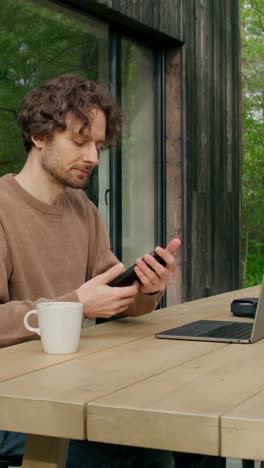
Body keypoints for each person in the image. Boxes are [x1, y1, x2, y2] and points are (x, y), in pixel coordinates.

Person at [0, 74, 181, 467]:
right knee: (143, 447)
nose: (94, 158)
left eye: (98, 145)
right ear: (39, 135)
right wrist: (76, 306)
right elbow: (83, 303)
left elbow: (113, 301)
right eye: (80, 142)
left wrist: (146, 290)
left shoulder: (83, 210)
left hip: (76, 386)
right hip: (14, 404)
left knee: (193, 436)